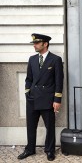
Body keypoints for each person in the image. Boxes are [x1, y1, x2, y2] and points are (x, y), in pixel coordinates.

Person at [18, 33, 64, 161]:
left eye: (37, 43)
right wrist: (27, 92)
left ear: (45, 44)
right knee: (31, 125)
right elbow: (29, 79)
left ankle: (50, 150)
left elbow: (59, 82)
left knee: (50, 126)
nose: (34, 45)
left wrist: (57, 100)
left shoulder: (55, 60)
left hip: (47, 99)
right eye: (34, 43)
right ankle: (30, 149)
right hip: (32, 98)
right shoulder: (32, 59)